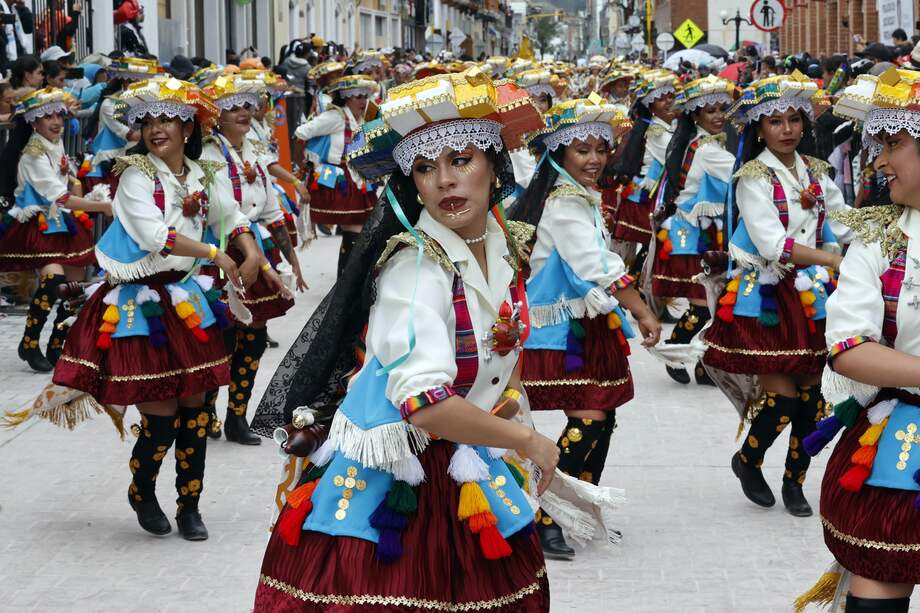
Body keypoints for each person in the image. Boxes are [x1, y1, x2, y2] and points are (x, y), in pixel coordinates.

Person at [251, 68, 554, 612]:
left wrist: (511, 417)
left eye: (460, 160)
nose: (444, 180)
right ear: (410, 184)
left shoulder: (504, 246)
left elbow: (504, 358)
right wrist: (528, 444)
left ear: (494, 164)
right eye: (424, 167)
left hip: (465, 451)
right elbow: (425, 406)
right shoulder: (416, 270)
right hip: (402, 475)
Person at [51, 76, 266, 541]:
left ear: (189, 127)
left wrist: (250, 252)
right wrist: (217, 255)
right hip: (143, 302)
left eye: (168, 118)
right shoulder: (134, 174)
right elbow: (156, 238)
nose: (156, 128)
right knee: (162, 415)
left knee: (196, 408)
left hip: (188, 297)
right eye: (148, 120)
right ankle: (143, 490)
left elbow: (231, 217)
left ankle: (190, 505)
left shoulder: (204, 172)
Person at [512, 96, 662, 560]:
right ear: (559, 153)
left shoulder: (576, 195)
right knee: (591, 417)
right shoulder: (563, 201)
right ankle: (541, 513)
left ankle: (578, 507)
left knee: (602, 417)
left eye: (601, 148)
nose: (595, 159)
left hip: (585, 323)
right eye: (582, 150)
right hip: (560, 329)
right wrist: (643, 310)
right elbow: (596, 266)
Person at [701, 72, 853, 517]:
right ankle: (748, 459)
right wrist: (829, 260)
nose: (787, 129)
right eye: (775, 122)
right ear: (759, 129)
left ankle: (795, 481)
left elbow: (842, 224)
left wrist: (888, 231)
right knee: (783, 397)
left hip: (811, 295)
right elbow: (773, 246)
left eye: (794, 120)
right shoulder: (752, 177)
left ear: (805, 124)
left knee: (811, 399)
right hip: (765, 296)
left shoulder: (818, 172)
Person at [798, 66, 920, 613]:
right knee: (879, 594)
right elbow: (849, 350)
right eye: (880, 144)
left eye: (894, 143)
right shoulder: (878, 239)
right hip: (899, 439)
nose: (877, 159)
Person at [199, 70, 303, 445]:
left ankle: (237, 416)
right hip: (223, 249)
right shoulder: (208, 155)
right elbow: (224, 211)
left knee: (254, 336)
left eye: (248, 105)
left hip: (255, 245)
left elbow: (272, 209)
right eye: (233, 107)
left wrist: (291, 257)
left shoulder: (256, 151)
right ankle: (208, 408)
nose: (244, 112)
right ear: (216, 115)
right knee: (223, 335)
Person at [0, 87, 111, 372]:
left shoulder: (55, 144)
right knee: (51, 283)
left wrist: (84, 190)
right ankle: (29, 341)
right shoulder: (33, 153)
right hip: (40, 224)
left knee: (72, 290)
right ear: (34, 122)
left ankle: (58, 342)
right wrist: (103, 207)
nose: (56, 121)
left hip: (63, 223)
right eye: (47, 116)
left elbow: (68, 184)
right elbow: (58, 197)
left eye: (58, 115)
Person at [652, 75, 736, 385]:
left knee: (713, 304)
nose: (717, 116)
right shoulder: (708, 149)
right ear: (696, 115)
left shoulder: (700, 142)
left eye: (720, 109)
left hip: (698, 232)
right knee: (704, 306)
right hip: (695, 235)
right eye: (710, 110)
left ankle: (703, 365)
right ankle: (675, 350)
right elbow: (741, 173)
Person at [294, 74, 377, 276]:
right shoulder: (336, 117)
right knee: (355, 230)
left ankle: (347, 283)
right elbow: (301, 133)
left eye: (365, 97)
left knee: (359, 229)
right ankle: (346, 285)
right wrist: (300, 167)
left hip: (356, 178)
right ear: (346, 97)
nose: (363, 102)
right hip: (338, 179)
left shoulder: (361, 118)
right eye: (358, 97)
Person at [605, 69, 680, 278]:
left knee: (651, 246)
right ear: (650, 105)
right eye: (661, 99)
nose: (668, 102)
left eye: (671, 97)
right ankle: (635, 281)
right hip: (646, 196)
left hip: (654, 195)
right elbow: (674, 159)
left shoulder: (667, 127)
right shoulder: (656, 130)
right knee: (644, 247)